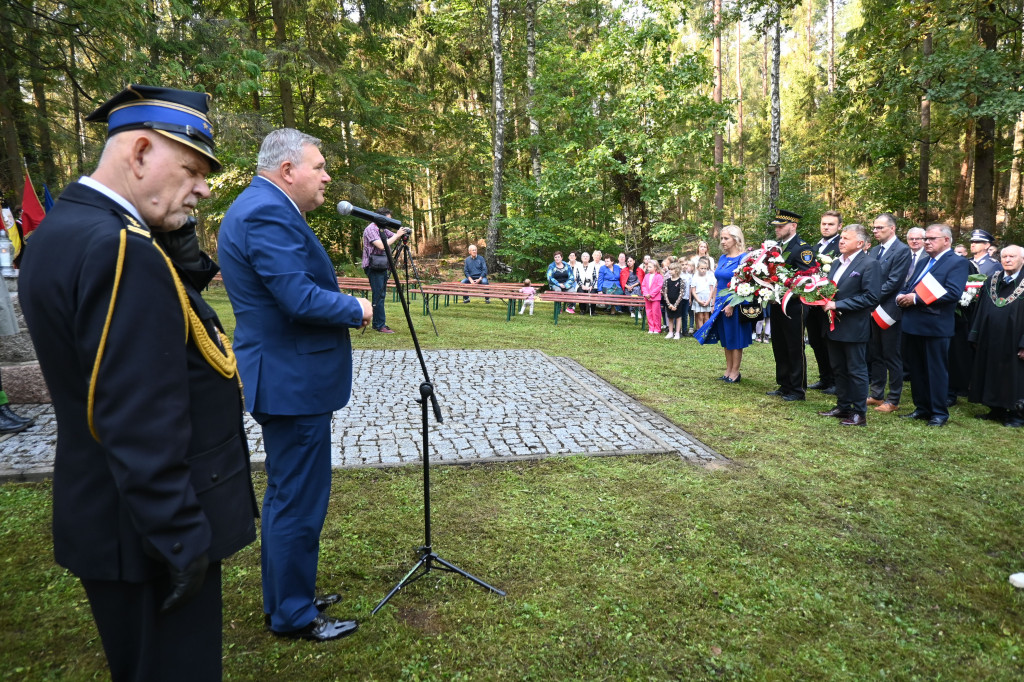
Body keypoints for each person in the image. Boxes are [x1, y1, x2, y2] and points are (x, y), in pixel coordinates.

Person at [19, 84, 258, 680]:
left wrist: (178, 252)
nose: (203, 187)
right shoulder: (123, 250)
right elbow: (137, 415)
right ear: (142, 152)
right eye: (193, 168)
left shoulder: (66, 228)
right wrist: (180, 540)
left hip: (110, 512)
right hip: (150, 533)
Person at [219, 128, 372, 641]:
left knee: (290, 495)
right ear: (288, 170)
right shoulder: (265, 211)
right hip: (291, 381)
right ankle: (292, 613)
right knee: (299, 500)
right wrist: (357, 307)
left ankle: (289, 595)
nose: (327, 176)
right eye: (320, 166)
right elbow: (298, 299)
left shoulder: (265, 206)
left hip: (288, 378)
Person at [896, 223, 971, 426]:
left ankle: (939, 413)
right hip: (914, 323)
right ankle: (921, 408)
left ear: (946, 240)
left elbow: (952, 293)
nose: (926, 242)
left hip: (935, 325)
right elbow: (912, 285)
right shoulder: (923, 262)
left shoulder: (957, 262)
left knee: (935, 370)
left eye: (931, 239)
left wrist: (915, 299)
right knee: (917, 370)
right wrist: (902, 295)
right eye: (925, 238)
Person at [817, 225, 881, 426]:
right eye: (841, 237)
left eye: (846, 238)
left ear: (860, 243)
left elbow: (871, 297)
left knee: (856, 370)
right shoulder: (836, 263)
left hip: (854, 326)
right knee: (839, 368)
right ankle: (843, 406)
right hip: (833, 325)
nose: (841, 241)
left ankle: (859, 412)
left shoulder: (869, 264)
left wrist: (839, 304)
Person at [968, 244, 1024, 427]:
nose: (1007, 260)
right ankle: (996, 408)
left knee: (1014, 375)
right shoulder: (992, 279)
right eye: (1004, 256)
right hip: (991, 337)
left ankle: (1017, 414)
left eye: (1012, 256)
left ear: (1022, 259)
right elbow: (980, 309)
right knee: (992, 370)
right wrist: (975, 335)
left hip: (1015, 338)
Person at [766, 209, 816, 401]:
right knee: (779, 344)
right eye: (776, 226)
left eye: (781, 226)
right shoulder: (776, 247)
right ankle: (784, 384)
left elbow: (806, 277)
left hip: (794, 305)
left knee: (794, 346)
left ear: (793, 226)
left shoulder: (802, 249)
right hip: (777, 302)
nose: (777, 229)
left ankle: (797, 388)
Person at [866, 213, 912, 414]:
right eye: (874, 228)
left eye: (880, 228)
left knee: (891, 354)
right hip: (873, 307)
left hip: (889, 310)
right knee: (876, 353)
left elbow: (894, 282)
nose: (875, 231)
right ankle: (877, 394)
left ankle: (893, 398)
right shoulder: (875, 250)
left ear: (892, 228)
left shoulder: (902, 250)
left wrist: (869, 298)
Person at [696, 225, 752, 383]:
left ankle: (735, 372)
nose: (723, 241)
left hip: (735, 302)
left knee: (735, 337)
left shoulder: (744, 258)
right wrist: (714, 302)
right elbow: (717, 281)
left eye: (726, 238)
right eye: (722, 238)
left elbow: (744, 284)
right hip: (720, 301)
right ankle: (728, 370)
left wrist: (732, 304)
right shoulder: (722, 258)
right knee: (726, 338)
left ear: (736, 239)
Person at [807, 211, 843, 394]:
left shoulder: (841, 246)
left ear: (839, 227)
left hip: (830, 302)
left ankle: (836, 381)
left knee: (829, 342)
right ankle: (824, 378)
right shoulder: (815, 247)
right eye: (824, 224)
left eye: (830, 224)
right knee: (815, 340)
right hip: (812, 303)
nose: (826, 227)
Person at [362, 207, 408, 333]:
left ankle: (378, 323)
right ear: (380, 218)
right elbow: (382, 245)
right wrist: (398, 235)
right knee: (378, 295)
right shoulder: (371, 229)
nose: (389, 221)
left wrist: (403, 233)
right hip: (373, 266)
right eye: (388, 219)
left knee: (380, 295)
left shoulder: (382, 228)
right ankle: (379, 325)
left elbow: (394, 237)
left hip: (381, 265)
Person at [662, 261, 687, 340]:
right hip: (669, 302)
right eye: (669, 269)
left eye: (672, 269)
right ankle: (670, 332)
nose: (670, 271)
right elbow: (665, 292)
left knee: (678, 317)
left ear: (677, 270)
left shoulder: (681, 281)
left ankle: (677, 333)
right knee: (670, 317)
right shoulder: (667, 281)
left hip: (678, 303)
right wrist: (669, 304)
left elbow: (681, 294)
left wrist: (675, 305)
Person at [690, 256, 716, 330]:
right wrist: (698, 300)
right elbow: (693, 290)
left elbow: (711, 290)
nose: (703, 270)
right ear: (698, 268)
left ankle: (706, 332)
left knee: (706, 316)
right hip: (699, 298)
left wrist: (708, 300)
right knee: (700, 316)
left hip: (707, 297)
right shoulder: (695, 277)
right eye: (702, 268)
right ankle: (701, 332)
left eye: (705, 268)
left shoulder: (709, 276)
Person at [641, 260, 663, 333]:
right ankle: (651, 328)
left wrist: (651, 294)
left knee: (656, 313)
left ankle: (657, 328)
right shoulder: (646, 276)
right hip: (647, 298)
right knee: (649, 312)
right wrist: (646, 294)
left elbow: (659, 286)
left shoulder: (659, 276)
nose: (648, 268)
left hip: (655, 298)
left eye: (650, 267)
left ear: (655, 267)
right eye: (648, 267)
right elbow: (643, 285)